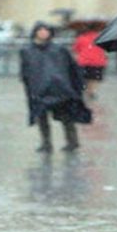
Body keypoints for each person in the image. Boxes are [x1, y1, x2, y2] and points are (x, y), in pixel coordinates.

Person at [20, 21, 91, 153]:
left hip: (60, 88)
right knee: (42, 117)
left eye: (46, 30)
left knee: (66, 117)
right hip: (39, 89)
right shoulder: (27, 51)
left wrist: (75, 85)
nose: (43, 33)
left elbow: (71, 68)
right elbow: (26, 71)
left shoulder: (59, 50)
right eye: (40, 30)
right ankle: (46, 143)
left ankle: (72, 142)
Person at [72, 25, 107, 100]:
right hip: (98, 61)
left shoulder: (81, 38)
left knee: (86, 78)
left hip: (84, 62)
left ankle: (88, 91)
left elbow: (76, 50)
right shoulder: (100, 37)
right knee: (95, 78)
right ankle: (92, 91)